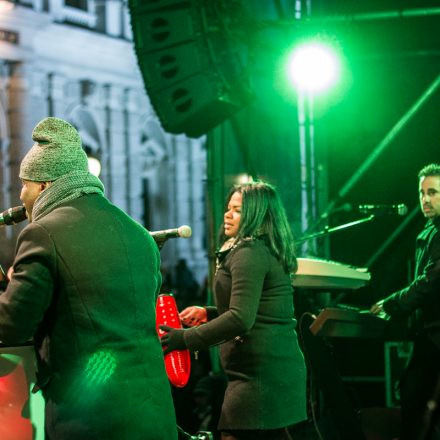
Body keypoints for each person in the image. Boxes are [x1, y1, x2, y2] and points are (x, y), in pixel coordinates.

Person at [0, 117, 177, 439]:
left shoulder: (42, 233)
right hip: (154, 412)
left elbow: (11, 324)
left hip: (91, 419)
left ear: (44, 185)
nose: (21, 195)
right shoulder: (137, 233)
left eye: (24, 184)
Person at [161, 181, 307, 440]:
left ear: (256, 215)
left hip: (260, 377)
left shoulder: (248, 253)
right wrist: (210, 313)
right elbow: (255, 309)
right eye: (229, 208)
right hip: (267, 371)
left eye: (237, 210)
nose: (227, 214)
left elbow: (241, 318)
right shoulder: (256, 249)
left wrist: (183, 339)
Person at [370, 163, 440, 440]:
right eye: (422, 193)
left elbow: (430, 280)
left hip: (436, 336)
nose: (425, 199)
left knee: (416, 405)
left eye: (433, 192)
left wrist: (391, 304)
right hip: (430, 334)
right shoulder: (430, 230)